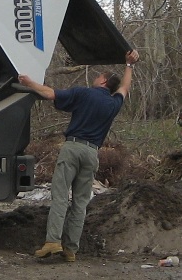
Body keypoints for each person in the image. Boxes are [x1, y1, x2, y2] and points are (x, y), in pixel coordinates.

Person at [18, 49, 140, 262]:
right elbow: (125, 88)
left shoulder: (84, 93)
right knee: (80, 203)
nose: (95, 78)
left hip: (73, 149)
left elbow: (49, 93)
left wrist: (29, 83)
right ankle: (71, 249)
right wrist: (129, 65)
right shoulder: (113, 104)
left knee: (60, 196)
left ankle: (53, 242)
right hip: (93, 153)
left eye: (98, 76)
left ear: (103, 82)